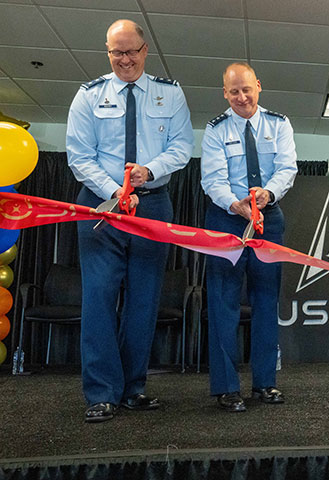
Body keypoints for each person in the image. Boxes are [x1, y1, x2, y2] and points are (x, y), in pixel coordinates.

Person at [66, 19, 194, 423]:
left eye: (131, 51)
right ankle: (101, 392)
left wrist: (150, 172)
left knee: (144, 300)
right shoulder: (88, 96)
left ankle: (132, 387)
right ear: (108, 52)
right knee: (99, 298)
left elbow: (183, 147)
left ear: (144, 50)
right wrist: (115, 190)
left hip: (153, 205)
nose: (124, 59)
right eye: (116, 52)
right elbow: (79, 157)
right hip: (101, 206)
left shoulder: (169, 94)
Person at [201, 62, 298, 412]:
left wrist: (267, 195)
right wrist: (235, 204)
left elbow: (287, 168)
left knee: (265, 302)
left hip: (267, 218)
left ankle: (264, 383)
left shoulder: (279, 124)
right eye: (234, 92)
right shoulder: (215, 130)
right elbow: (212, 179)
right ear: (224, 93)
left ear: (258, 86)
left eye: (247, 89)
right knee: (223, 303)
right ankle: (226, 387)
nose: (242, 97)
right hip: (226, 219)